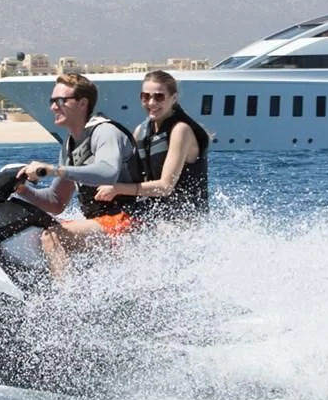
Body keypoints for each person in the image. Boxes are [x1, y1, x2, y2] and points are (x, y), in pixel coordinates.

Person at [16, 73, 141, 279]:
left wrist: (53, 170)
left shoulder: (105, 131)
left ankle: (64, 303)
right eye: (52, 101)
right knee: (34, 230)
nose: (54, 107)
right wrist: (22, 190)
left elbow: (108, 172)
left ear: (83, 103)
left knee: (53, 236)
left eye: (61, 101)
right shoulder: (70, 144)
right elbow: (56, 202)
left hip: (127, 221)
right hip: (101, 223)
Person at [94, 70, 209, 222]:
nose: (151, 103)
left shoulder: (181, 130)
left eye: (159, 97)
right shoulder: (141, 131)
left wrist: (116, 189)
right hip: (153, 214)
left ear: (173, 98)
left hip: (184, 222)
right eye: (145, 97)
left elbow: (165, 187)